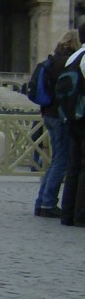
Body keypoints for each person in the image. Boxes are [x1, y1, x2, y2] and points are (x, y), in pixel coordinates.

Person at [34, 29, 81, 217]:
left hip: (47, 113)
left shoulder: (52, 59)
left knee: (56, 160)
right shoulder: (68, 62)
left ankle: (41, 201)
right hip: (59, 115)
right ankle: (47, 203)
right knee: (61, 160)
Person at [60, 31, 85, 228]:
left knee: (74, 166)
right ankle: (81, 215)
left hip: (71, 116)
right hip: (83, 115)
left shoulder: (73, 57)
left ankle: (68, 213)